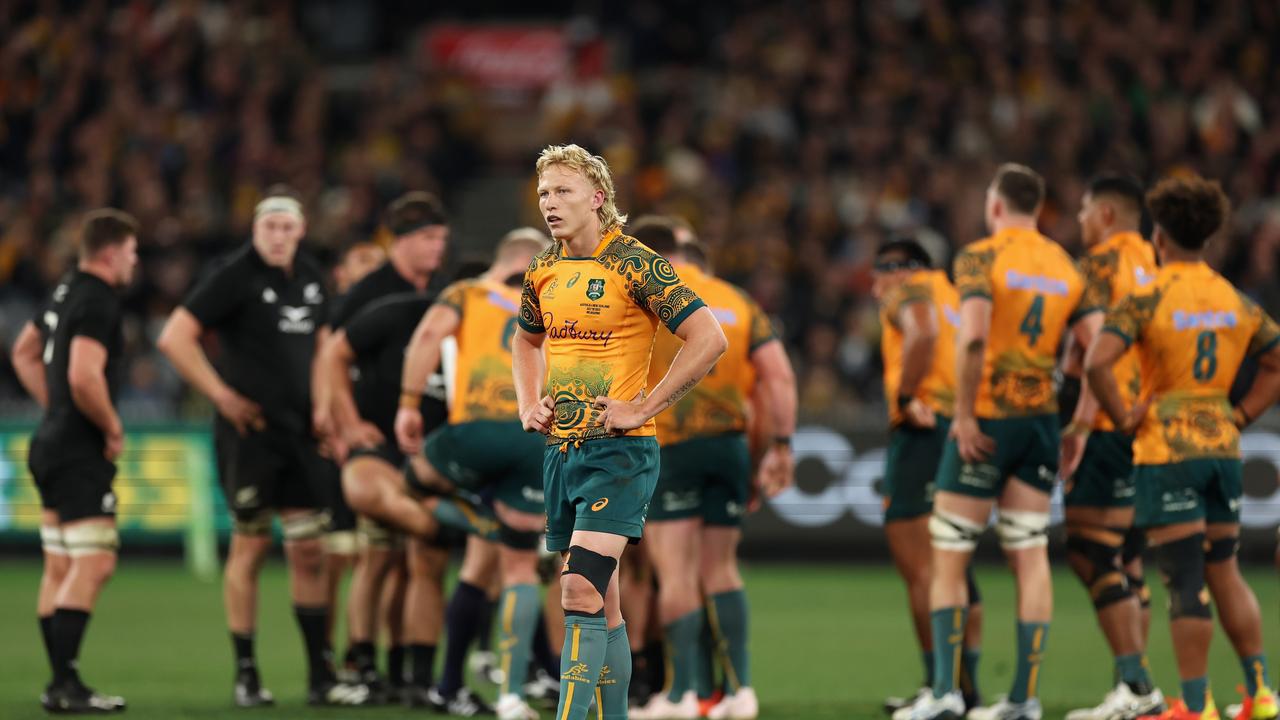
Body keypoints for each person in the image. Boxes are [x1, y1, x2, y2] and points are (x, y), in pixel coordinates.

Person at [512, 144, 727, 720]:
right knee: (601, 605)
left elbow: (709, 338)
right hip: (562, 452)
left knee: (577, 590)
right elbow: (526, 340)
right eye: (543, 195)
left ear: (598, 198)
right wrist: (529, 401)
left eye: (562, 192)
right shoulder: (542, 267)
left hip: (620, 455)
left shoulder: (635, 262)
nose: (550, 204)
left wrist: (643, 406)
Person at [156, 189, 365, 706]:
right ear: (255, 230)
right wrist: (221, 396)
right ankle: (246, 673)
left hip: (300, 433)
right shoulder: (234, 274)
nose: (277, 236)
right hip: (249, 435)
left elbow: (322, 348)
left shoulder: (312, 277)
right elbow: (174, 337)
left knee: (308, 549)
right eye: (268, 227)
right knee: (250, 547)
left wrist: (324, 406)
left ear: (299, 231)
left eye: (286, 228)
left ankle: (320, 675)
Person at [1085, 175, 1280, 720]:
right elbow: (1276, 361)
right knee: (1225, 567)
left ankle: (1196, 707)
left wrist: (1124, 416)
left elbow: (1096, 360)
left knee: (1185, 579)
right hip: (1221, 447)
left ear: (1159, 237)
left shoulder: (1144, 299)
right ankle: (1262, 694)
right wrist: (1239, 415)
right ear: (1209, 239)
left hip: (1168, 452)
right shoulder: (1233, 299)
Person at [912, 164, 1092, 720]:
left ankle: (945, 693)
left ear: (996, 206)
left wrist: (964, 416)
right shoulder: (1066, 266)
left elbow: (973, 339)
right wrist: (1078, 424)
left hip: (988, 417)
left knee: (949, 551)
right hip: (1040, 422)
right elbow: (1093, 346)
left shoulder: (981, 257)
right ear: (1036, 208)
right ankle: (1024, 697)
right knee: (1030, 554)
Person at [627, 216, 797, 720]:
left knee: (675, 573)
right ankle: (740, 692)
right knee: (721, 569)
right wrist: (779, 447)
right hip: (728, 444)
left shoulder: (646, 292)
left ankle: (681, 695)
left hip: (671, 444)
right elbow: (779, 377)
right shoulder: (736, 299)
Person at [395, 226, 553, 720]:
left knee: (411, 484)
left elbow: (426, 336)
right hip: (534, 438)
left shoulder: (468, 291)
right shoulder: (554, 297)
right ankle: (509, 696)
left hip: (477, 432)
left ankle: (447, 686)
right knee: (518, 568)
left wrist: (408, 403)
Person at [10, 209, 138, 713]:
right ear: (110, 253)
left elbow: (24, 351)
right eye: (131, 252)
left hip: (48, 440)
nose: (134, 262)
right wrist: (109, 424)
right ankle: (65, 685)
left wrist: (56, 405)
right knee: (96, 560)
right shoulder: (99, 300)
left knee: (59, 564)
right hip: (78, 449)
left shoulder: (64, 291)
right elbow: (86, 375)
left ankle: (61, 682)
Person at [323, 191, 448, 703]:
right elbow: (327, 355)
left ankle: (398, 666)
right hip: (374, 439)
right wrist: (341, 425)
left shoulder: (438, 297)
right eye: (427, 239)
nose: (436, 249)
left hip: (421, 449)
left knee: (403, 560)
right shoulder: (374, 295)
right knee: (375, 557)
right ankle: (359, 662)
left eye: (441, 239)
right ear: (401, 240)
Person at [1060, 176, 1165, 720]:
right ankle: (1133, 692)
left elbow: (1092, 346)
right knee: (1129, 559)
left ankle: (1137, 684)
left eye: (1082, 212)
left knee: (1090, 551)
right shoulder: (1160, 262)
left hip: (1107, 423)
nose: (1079, 223)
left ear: (1104, 214)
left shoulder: (1099, 265)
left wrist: (1079, 426)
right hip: (1153, 426)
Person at [870, 238, 985, 719]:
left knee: (920, 569)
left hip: (922, 431)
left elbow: (921, 333)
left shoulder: (910, 292)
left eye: (880, 271)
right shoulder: (958, 296)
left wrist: (905, 396)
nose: (876, 285)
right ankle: (965, 688)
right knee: (957, 568)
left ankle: (941, 689)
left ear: (902, 268)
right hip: (960, 429)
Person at [324, 238, 386, 664]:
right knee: (335, 558)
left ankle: (358, 649)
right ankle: (324, 652)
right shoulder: (335, 321)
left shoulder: (387, 320)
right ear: (341, 274)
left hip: (376, 450)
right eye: (361, 257)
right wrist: (335, 426)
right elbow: (322, 373)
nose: (371, 267)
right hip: (338, 449)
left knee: (375, 557)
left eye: (377, 262)